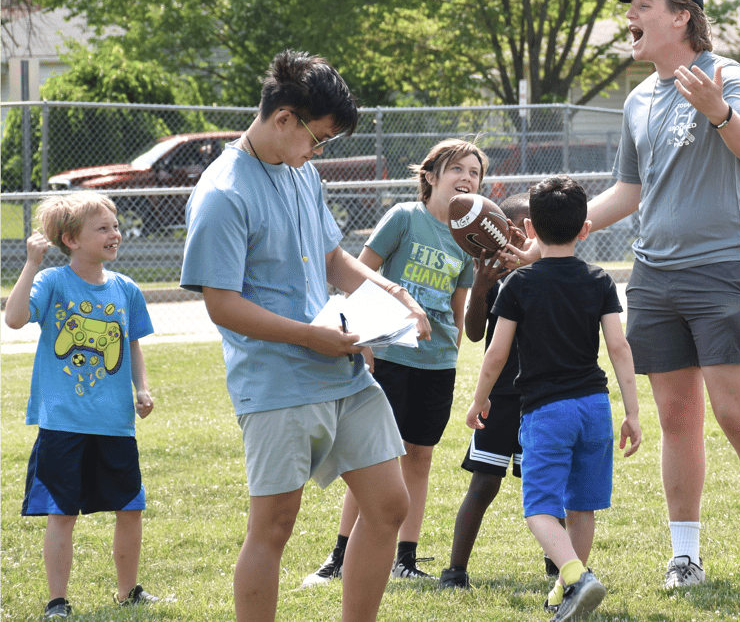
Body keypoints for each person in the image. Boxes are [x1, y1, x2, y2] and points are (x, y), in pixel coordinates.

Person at [544, 0, 740, 588]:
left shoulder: (726, 75)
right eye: (631, 5)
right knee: (677, 419)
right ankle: (685, 557)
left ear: (681, 16)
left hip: (721, 269)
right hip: (653, 277)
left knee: (737, 414)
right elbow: (629, 190)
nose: (631, 16)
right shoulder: (640, 99)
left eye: (643, 4)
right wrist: (565, 229)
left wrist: (717, 110)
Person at [180, 49, 430, 622]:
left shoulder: (302, 174)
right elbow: (221, 305)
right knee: (273, 526)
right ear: (284, 118)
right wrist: (307, 337)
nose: (317, 152)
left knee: (390, 504)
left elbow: (333, 259)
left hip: (341, 370)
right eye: (316, 138)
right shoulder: (222, 194)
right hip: (276, 381)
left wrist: (396, 298)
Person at [300, 138, 482, 586]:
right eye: (457, 168)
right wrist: (363, 342)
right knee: (374, 458)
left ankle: (406, 557)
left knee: (419, 456)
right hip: (388, 355)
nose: (467, 178)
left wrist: (452, 348)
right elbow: (358, 277)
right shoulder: (404, 217)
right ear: (432, 175)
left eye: (475, 172)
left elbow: (459, 306)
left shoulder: (466, 238)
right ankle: (340, 557)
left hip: (435, 362)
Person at [465, 175, 641, 622]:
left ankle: (576, 577)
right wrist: (633, 412)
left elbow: (496, 353)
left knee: (540, 509)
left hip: (547, 411)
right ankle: (567, 592)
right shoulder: (600, 280)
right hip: (596, 409)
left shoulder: (518, 285)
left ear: (530, 231)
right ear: (585, 229)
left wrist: (479, 400)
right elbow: (619, 348)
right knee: (581, 506)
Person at [5, 191, 161, 618]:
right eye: (103, 228)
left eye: (115, 226)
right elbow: (15, 318)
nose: (115, 233)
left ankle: (128, 591)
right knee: (62, 513)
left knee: (130, 507)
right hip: (63, 423)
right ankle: (58, 600)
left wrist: (141, 388)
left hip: (114, 423)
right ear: (71, 239)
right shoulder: (53, 282)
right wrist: (32, 263)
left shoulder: (127, 289)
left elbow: (132, 345)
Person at [440, 193, 556, 590]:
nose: (525, 240)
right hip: (502, 394)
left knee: (543, 485)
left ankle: (558, 566)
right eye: (518, 230)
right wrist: (481, 284)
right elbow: (474, 333)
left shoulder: (552, 272)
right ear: (499, 232)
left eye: (532, 232)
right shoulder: (495, 274)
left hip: (543, 397)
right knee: (485, 482)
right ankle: (455, 571)